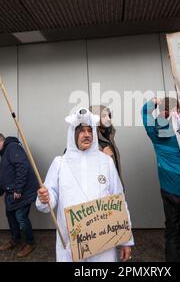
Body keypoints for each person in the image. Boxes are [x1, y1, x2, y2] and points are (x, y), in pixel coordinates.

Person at [36, 108, 133, 262]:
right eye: (81, 131)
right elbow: (50, 199)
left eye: (90, 130)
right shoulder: (59, 163)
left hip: (104, 244)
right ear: (73, 134)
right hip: (71, 244)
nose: (87, 134)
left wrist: (126, 240)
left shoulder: (106, 161)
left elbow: (119, 199)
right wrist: (44, 198)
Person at [142, 97, 180, 262]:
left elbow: (145, 113)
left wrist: (152, 102)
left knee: (172, 229)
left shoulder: (155, 130)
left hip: (168, 189)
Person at [0, 133, 39, 258]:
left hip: (23, 191)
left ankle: (30, 242)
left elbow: (22, 167)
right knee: (10, 215)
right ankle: (15, 240)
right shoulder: (5, 153)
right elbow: (8, 173)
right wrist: (1, 188)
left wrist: (18, 189)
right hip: (12, 191)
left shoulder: (13, 147)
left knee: (21, 217)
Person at [90, 105, 123, 186]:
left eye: (109, 116)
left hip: (115, 190)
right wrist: (102, 157)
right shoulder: (90, 141)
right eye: (104, 116)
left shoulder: (109, 137)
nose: (108, 119)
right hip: (101, 191)